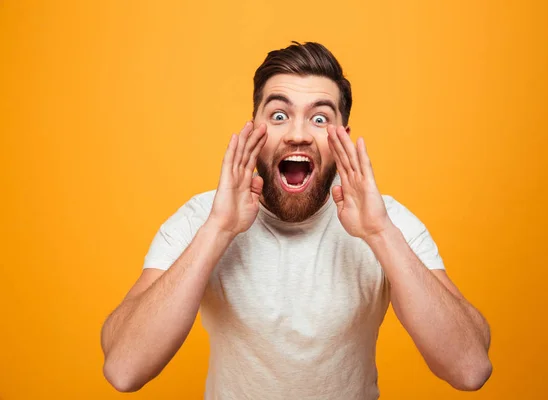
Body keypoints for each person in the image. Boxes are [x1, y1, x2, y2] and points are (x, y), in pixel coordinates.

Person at [100, 41, 492, 399]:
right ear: (254, 129)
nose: (299, 134)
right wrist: (217, 231)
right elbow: (123, 368)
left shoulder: (386, 223)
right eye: (279, 115)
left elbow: (470, 368)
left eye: (320, 119)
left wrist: (380, 233)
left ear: (342, 137)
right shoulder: (202, 219)